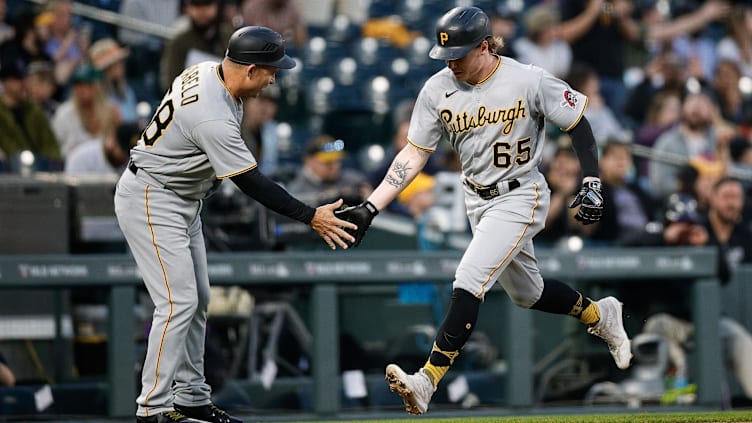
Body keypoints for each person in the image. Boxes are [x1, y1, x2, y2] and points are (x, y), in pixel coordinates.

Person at [334, 7, 633, 415]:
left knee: (470, 276)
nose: (452, 61)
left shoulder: (527, 78)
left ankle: (427, 379)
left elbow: (578, 121)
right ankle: (602, 314)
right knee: (530, 294)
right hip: (476, 199)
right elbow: (413, 155)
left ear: (487, 45)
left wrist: (592, 180)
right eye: (446, 54)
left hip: (521, 194)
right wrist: (373, 206)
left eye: (460, 52)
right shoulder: (437, 89)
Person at [114, 26, 356, 423]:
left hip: (181, 197)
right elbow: (251, 183)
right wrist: (311, 216)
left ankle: (191, 396)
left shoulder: (209, 71)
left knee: (199, 299)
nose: (275, 78)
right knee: (178, 302)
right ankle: (152, 409)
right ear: (248, 69)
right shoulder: (212, 114)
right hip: (152, 197)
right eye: (271, 70)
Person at [160, 0, 234, 92]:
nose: (202, 10)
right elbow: (170, 83)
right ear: (187, 8)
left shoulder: (231, 39)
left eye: (207, 4)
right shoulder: (179, 43)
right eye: (196, 4)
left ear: (217, 6)